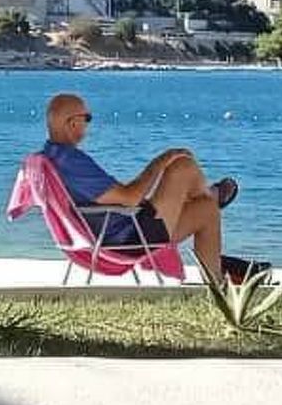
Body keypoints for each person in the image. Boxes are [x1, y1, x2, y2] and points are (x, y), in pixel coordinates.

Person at [39, 92, 239, 278]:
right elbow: (130, 197)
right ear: (72, 123)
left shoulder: (51, 156)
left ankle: (215, 284)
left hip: (114, 233)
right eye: (87, 118)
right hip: (127, 239)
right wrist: (161, 161)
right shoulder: (72, 162)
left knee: (207, 209)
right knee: (182, 165)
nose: (88, 124)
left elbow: (115, 198)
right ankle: (206, 194)